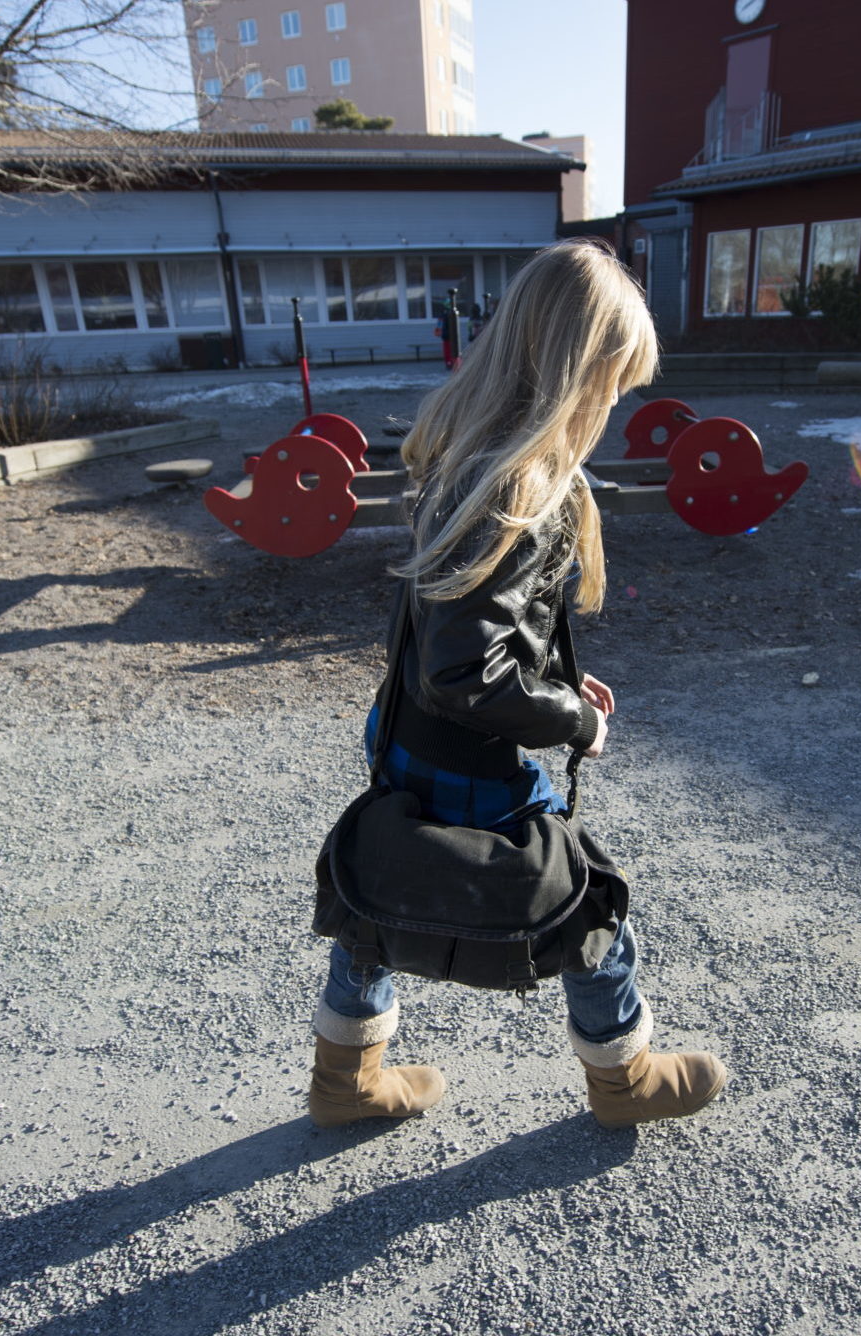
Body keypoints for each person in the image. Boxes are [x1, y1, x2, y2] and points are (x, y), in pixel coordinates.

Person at [308, 239, 728, 1131]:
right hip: (470, 753)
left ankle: (344, 1078)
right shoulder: (521, 487)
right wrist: (573, 721)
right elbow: (467, 669)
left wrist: (555, 676)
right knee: (589, 897)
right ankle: (625, 1078)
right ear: (575, 372)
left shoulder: (462, 453)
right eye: (613, 384)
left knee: (378, 895)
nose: (615, 406)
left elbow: (474, 636)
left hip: (408, 729)